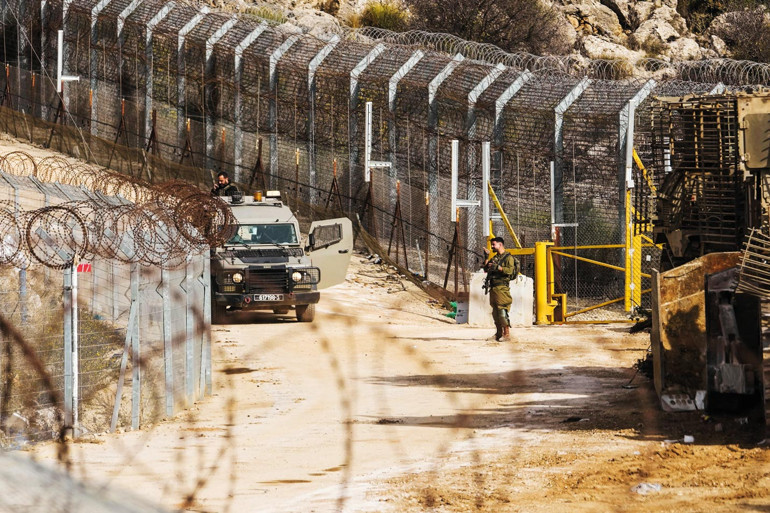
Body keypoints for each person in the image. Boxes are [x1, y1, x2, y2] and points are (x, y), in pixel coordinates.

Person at [482, 236, 519, 342]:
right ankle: (498, 334)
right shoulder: (495, 258)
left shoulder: (508, 258)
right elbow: (485, 269)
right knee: (495, 312)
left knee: (502, 310)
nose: (492, 247)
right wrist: (486, 257)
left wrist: (498, 267)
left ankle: (506, 334)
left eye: (494, 244)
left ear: (500, 244)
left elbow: (510, 271)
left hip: (502, 288)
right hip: (493, 287)